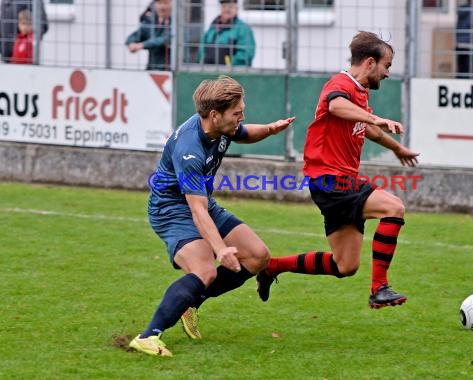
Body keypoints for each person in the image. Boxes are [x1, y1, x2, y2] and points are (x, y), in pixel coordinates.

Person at [129, 75, 295, 357]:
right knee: (205, 270)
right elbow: (196, 210)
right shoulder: (190, 150)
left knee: (258, 255)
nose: (242, 117)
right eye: (237, 113)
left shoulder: (222, 126)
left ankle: (192, 301)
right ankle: (148, 336)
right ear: (215, 115)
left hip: (202, 203)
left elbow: (244, 133)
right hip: (171, 210)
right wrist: (220, 249)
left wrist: (270, 129)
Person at [256, 31, 419, 310]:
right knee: (394, 208)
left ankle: (272, 267)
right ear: (370, 62)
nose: (388, 73)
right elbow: (336, 105)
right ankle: (379, 287)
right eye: (387, 66)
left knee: (345, 265)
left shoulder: (360, 92)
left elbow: (368, 130)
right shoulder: (340, 84)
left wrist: (397, 148)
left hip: (334, 183)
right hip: (331, 179)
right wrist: (375, 117)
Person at [197, 0, 255, 67]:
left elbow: (246, 54)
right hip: (209, 72)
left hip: (231, 74)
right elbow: (201, 50)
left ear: (236, 9)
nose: (227, 9)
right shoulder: (212, 28)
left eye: (230, 7)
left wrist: (228, 66)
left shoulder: (243, 29)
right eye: (224, 6)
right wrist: (202, 63)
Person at [125, 0, 172, 71]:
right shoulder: (151, 21)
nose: (162, 6)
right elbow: (137, 34)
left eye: (166, 3)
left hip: (170, 68)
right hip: (152, 67)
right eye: (159, 3)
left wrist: (142, 45)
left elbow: (165, 39)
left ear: (172, 4)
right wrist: (131, 43)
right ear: (154, 4)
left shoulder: (176, 23)